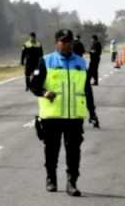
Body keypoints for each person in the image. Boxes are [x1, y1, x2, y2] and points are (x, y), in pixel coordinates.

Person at [31, 29, 98, 196]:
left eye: (69, 41)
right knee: (52, 150)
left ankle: (72, 182)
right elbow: (34, 85)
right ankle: (51, 179)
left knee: (74, 151)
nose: (66, 44)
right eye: (63, 41)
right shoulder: (46, 61)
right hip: (52, 115)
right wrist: (45, 93)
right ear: (56, 42)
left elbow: (87, 89)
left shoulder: (81, 63)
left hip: (74, 117)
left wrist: (92, 112)